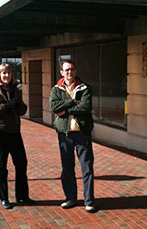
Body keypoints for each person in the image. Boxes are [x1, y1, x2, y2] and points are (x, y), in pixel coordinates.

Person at [0, 63, 33, 210]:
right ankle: (4, 198)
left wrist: (18, 105)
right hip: (1, 133)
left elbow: (23, 110)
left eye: (9, 73)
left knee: (21, 164)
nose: (6, 75)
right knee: (1, 167)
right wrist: (5, 106)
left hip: (15, 132)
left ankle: (23, 196)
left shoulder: (15, 90)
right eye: (4, 73)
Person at [49, 60, 96, 213]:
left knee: (87, 168)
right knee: (67, 168)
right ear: (62, 72)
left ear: (75, 71)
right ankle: (70, 198)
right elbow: (54, 107)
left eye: (72, 69)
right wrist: (72, 102)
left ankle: (89, 201)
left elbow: (85, 107)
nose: (70, 72)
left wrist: (65, 109)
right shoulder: (56, 89)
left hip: (82, 133)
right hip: (65, 135)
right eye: (67, 70)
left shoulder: (85, 88)